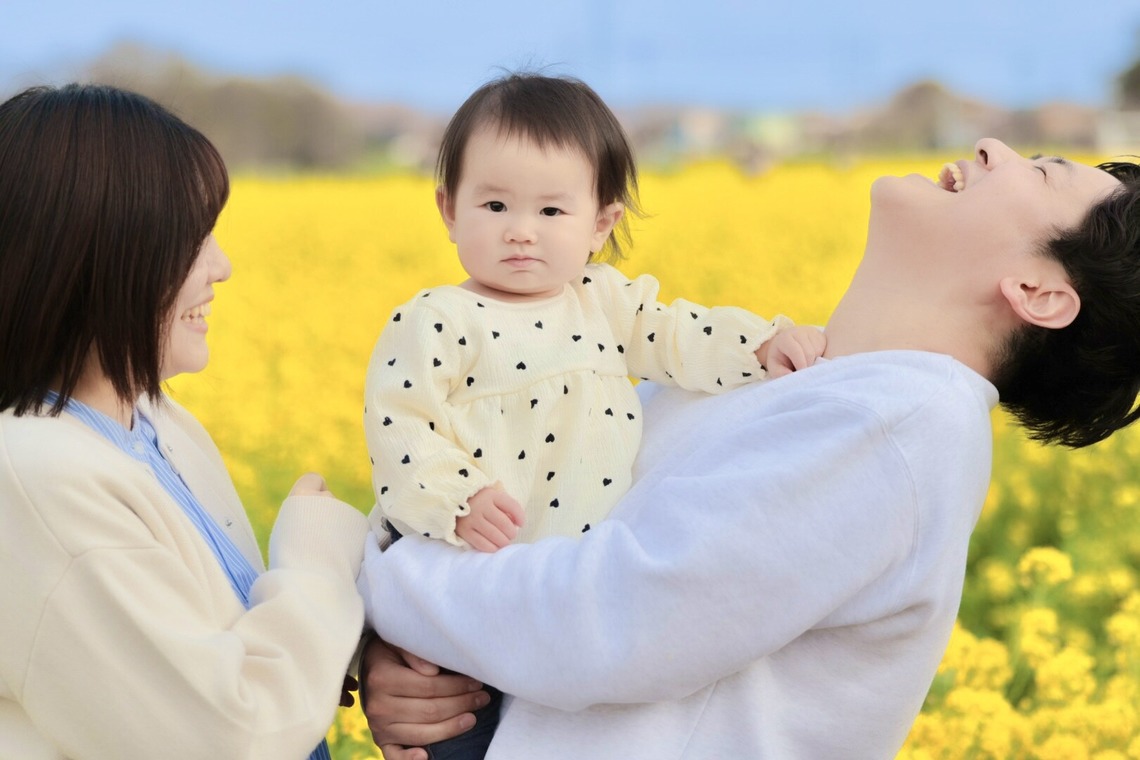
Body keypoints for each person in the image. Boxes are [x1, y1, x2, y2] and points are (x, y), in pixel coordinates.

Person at [356, 139, 1140, 760]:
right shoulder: (775, 373)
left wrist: (374, 583)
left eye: (1040, 174)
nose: (992, 147)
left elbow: (611, 621)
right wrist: (403, 663)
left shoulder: (902, 425)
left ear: (1039, 292)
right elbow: (527, 518)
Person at [362, 72, 823, 758]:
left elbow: (679, 335)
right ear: (449, 210)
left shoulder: (602, 301)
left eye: (551, 213)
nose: (521, 232)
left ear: (600, 223)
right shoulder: (438, 319)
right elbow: (401, 427)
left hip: (573, 601)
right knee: (459, 737)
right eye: (493, 205)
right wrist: (456, 497)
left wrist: (761, 344)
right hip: (466, 595)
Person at [0, 84, 370, 759]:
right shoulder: (33, 478)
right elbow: (229, 735)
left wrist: (373, 659)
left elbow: (231, 648)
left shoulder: (156, 422)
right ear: (99, 258)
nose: (221, 267)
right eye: (192, 239)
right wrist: (319, 561)